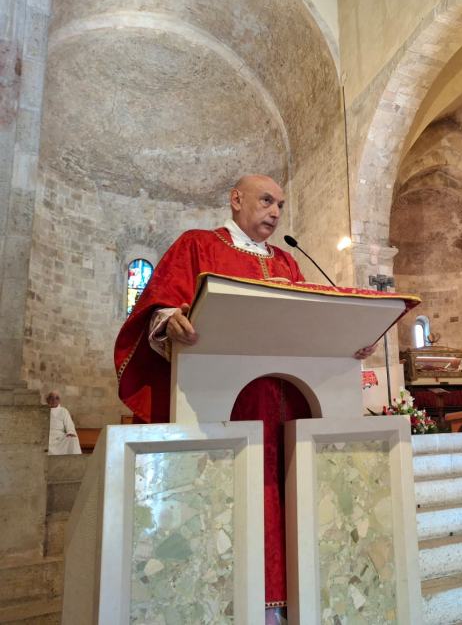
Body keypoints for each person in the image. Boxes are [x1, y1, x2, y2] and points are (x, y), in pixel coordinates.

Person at [114, 175, 372, 622]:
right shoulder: (198, 246)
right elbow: (156, 308)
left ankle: (292, 602)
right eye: (266, 200)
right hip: (225, 410)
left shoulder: (289, 262)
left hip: (291, 407)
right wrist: (169, 321)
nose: (275, 212)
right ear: (236, 201)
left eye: (280, 204)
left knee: (290, 502)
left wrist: (348, 338)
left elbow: (311, 318)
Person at [46, 391, 82, 455]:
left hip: (60, 438)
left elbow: (69, 425)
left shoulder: (63, 411)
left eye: (57, 398)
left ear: (59, 400)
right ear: (48, 400)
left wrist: (70, 432)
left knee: (73, 439)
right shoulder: (43, 410)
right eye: (52, 398)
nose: (54, 400)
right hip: (47, 436)